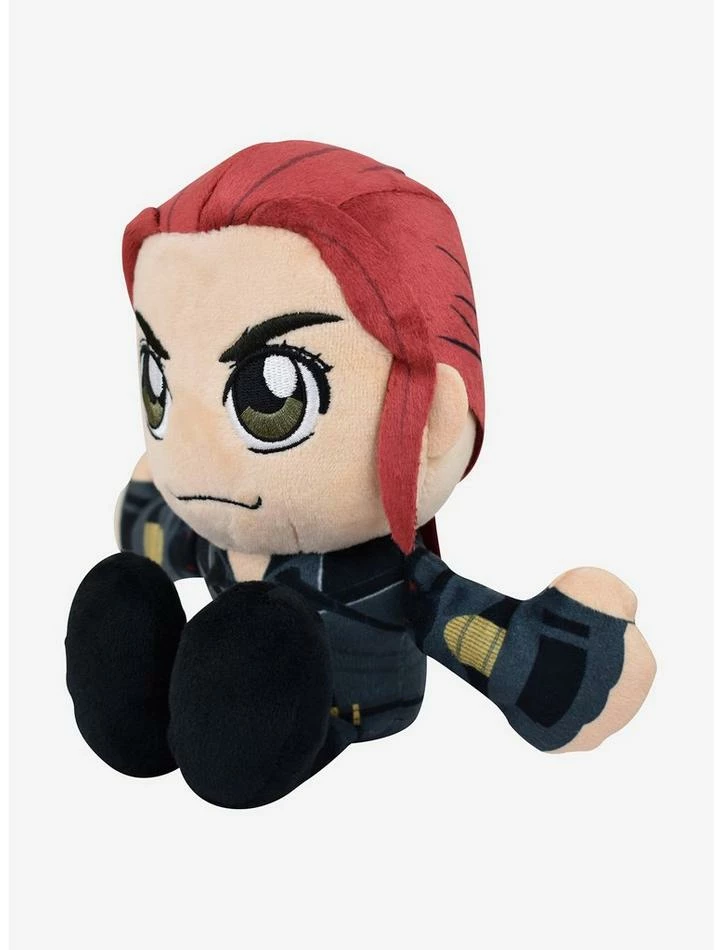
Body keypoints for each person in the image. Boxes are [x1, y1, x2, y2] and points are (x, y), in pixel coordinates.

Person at [66, 141, 656, 808]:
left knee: (257, 642)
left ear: (432, 416)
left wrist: (565, 663)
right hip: (222, 690)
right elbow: (154, 537)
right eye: (159, 386)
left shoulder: (385, 575)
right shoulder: (217, 537)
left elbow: (483, 639)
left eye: (271, 396)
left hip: (352, 719)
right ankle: (145, 721)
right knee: (124, 597)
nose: (193, 450)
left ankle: (240, 739)